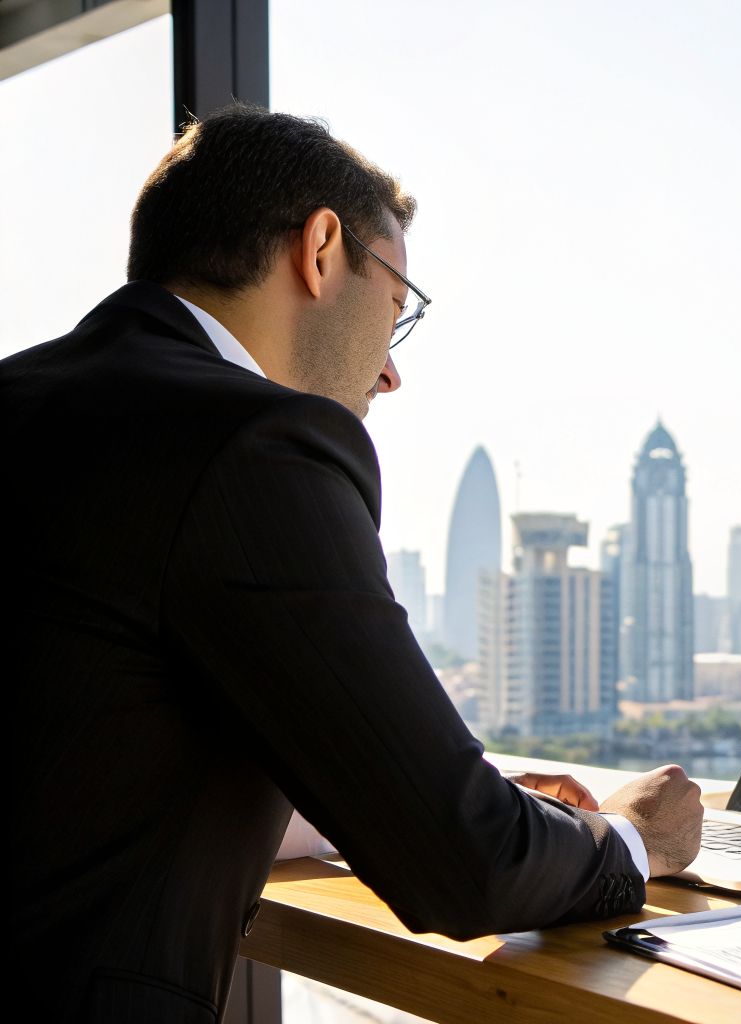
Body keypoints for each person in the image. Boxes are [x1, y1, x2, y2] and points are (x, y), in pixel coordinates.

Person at [0, 105, 703, 1022]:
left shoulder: (30, 398)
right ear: (322, 249)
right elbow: (464, 865)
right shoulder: (253, 443)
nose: (389, 374)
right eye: (398, 309)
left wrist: (384, 783)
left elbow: (86, 748)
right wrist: (632, 838)